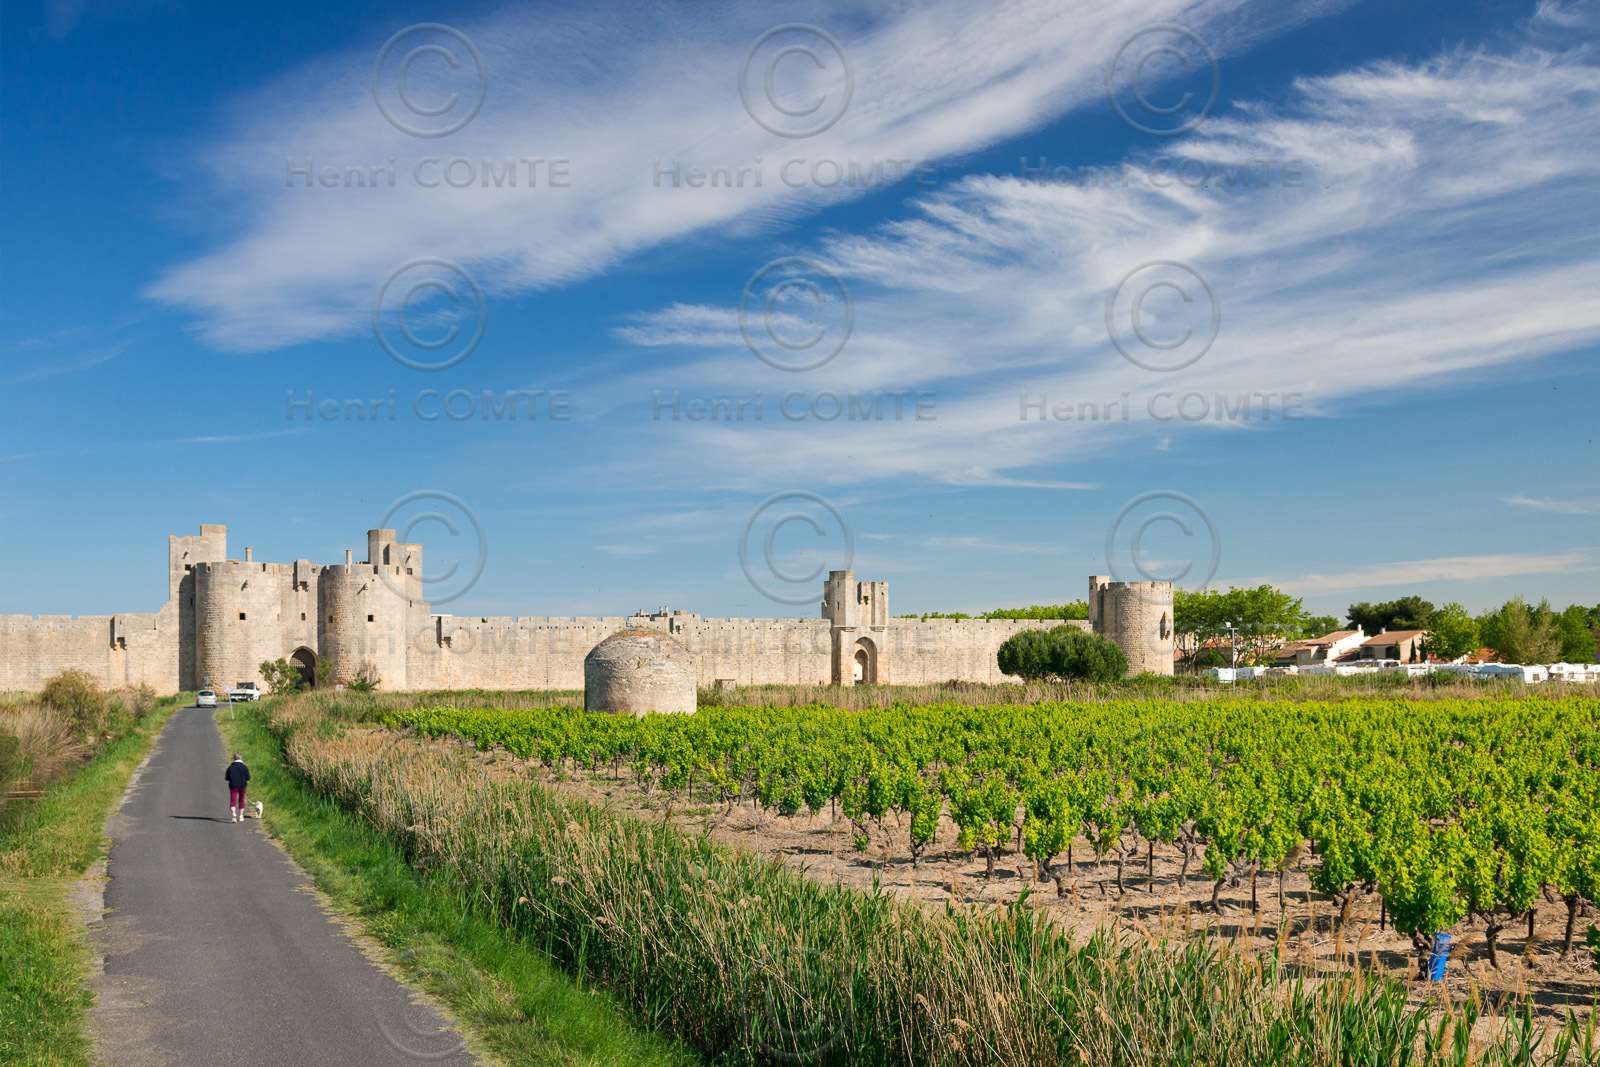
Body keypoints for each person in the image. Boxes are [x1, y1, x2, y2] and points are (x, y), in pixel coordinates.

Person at [225, 753, 251, 823]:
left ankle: (234, 813)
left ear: (234, 759)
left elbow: (227, 778)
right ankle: (241, 816)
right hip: (242, 786)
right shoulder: (244, 767)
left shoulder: (230, 767)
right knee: (241, 800)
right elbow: (248, 778)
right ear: (241, 758)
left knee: (233, 801)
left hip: (233, 786)